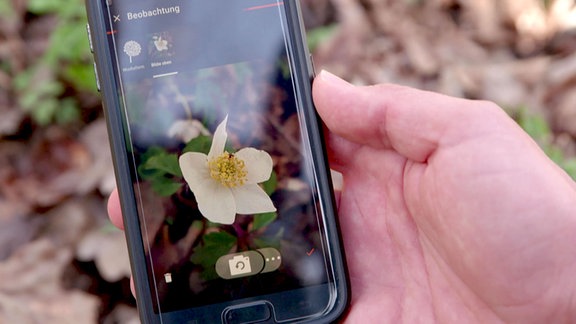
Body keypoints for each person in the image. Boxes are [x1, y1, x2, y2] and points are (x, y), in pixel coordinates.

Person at [108, 71, 576, 323]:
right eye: (226, 161)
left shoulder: (233, 177)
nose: (231, 161)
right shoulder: (198, 167)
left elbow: (256, 193)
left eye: (229, 161)